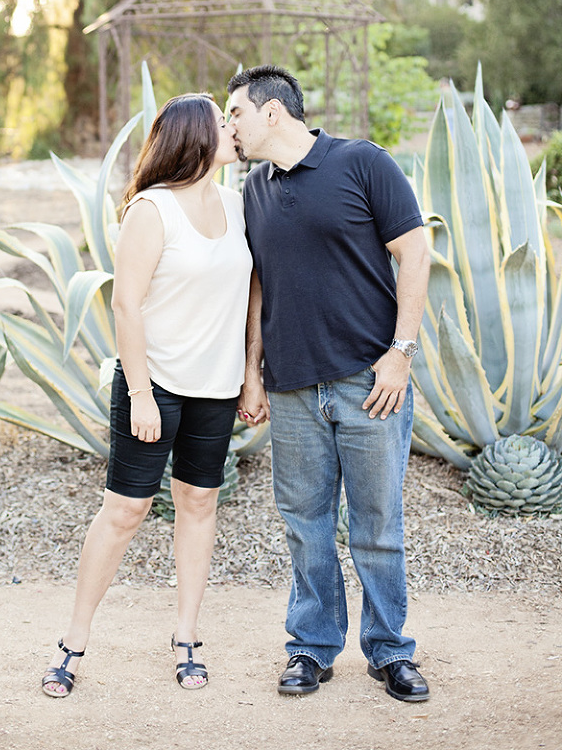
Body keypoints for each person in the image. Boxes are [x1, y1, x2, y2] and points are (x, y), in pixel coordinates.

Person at [227, 64, 431, 703]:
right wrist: (252, 373)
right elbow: (259, 283)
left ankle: (390, 651)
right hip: (291, 388)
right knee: (305, 524)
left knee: (377, 525)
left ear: (272, 112)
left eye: (235, 113)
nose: (230, 127)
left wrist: (400, 354)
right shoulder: (254, 189)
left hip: (370, 382)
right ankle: (312, 648)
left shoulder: (362, 163)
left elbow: (416, 251)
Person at [42, 93, 252, 697]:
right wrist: (139, 394)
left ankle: (187, 639)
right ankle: (72, 643)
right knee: (125, 511)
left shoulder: (238, 205)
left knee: (199, 503)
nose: (232, 129)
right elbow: (125, 304)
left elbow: (252, 292)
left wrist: (250, 374)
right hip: (153, 384)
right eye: (222, 123)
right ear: (196, 138)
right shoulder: (152, 209)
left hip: (216, 387)